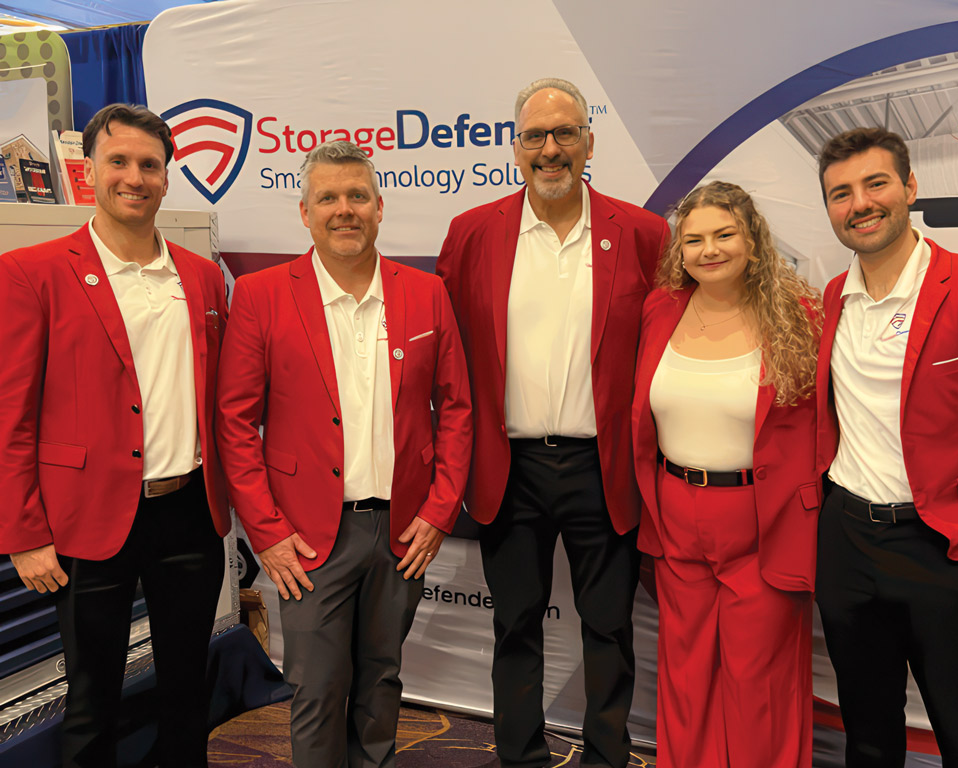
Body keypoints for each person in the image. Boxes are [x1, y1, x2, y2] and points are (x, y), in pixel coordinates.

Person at [215, 140, 472, 768]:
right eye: (327, 197)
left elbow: (458, 409)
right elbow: (235, 421)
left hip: (402, 529)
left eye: (357, 196)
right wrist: (267, 533)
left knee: (381, 680)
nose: (344, 209)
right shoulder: (260, 294)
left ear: (380, 207)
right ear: (304, 212)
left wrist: (440, 512)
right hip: (306, 535)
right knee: (317, 688)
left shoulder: (425, 293)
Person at [436, 77, 669, 768]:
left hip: (606, 469)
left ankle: (606, 757)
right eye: (536, 135)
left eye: (565, 133)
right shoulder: (472, 232)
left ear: (589, 143)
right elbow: (446, 351)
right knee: (515, 626)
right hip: (510, 470)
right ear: (515, 148)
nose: (551, 149)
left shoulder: (644, 233)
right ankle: (522, 757)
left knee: (609, 627)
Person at [0, 103, 230, 768]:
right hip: (86, 518)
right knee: (91, 695)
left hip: (188, 513)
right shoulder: (31, 272)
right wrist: (24, 534)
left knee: (187, 686)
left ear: (167, 176)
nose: (135, 176)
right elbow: (11, 415)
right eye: (119, 161)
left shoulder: (200, 275)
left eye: (149, 165)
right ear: (91, 169)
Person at [814, 126, 958, 767]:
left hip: (945, 546)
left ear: (910, 186)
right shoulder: (832, 299)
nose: (859, 203)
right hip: (847, 543)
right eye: (841, 193)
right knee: (866, 735)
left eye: (875, 183)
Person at [632, 181, 820, 767]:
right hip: (676, 515)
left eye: (723, 235)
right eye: (694, 240)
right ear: (678, 251)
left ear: (754, 242)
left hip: (763, 523)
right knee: (685, 675)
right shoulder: (660, 309)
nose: (709, 249)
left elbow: (821, 430)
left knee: (756, 680)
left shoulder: (798, 314)